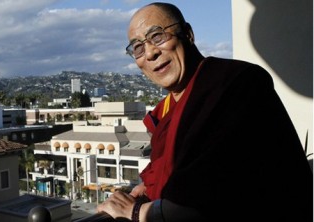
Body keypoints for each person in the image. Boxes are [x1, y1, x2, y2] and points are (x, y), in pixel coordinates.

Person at [96, 2, 313, 222]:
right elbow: (175, 171)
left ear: (188, 34)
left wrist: (136, 212)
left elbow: (219, 191)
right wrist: (149, 186)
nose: (150, 52)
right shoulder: (167, 108)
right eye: (138, 48)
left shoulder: (237, 83)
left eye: (158, 36)